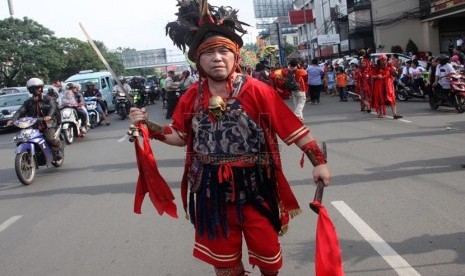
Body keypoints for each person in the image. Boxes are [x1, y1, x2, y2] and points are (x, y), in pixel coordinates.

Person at [131, 1, 332, 275]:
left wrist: (318, 162)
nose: (217, 57)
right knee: (224, 265)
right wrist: (147, 125)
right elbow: (179, 136)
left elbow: (293, 129)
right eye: (209, 52)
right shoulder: (192, 96)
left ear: (235, 56)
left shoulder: (257, 90)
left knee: (269, 261)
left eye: (224, 51)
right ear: (198, 60)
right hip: (209, 190)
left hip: (255, 186)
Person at [7, 78, 63, 161]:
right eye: (35, 88)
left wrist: (49, 116)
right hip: (33, 124)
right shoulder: (28, 102)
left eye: (39, 87)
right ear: (30, 90)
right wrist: (12, 119)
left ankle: (57, 150)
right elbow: (20, 111)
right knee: (22, 138)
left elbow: (53, 107)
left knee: (49, 138)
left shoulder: (48, 99)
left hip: (48, 124)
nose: (38, 89)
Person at [371, 54, 403, 119]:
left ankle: (395, 114)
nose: (383, 61)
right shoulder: (376, 67)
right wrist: (377, 76)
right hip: (379, 85)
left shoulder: (390, 65)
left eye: (384, 60)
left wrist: (397, 72)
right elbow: (372, 76)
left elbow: (394, 74)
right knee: (380, 98)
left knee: (392, 98)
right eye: (382, 60)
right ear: (379, 61)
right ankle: (380, 113)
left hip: (388, 84)